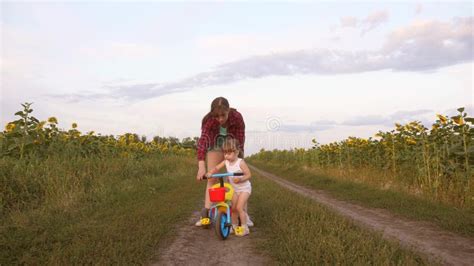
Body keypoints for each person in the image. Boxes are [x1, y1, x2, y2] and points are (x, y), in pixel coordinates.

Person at [195, 97, 253, 227]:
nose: (220, 119)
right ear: (212, 115)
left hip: (232, 147)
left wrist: (239, 161)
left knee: (235, 180)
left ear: (228, 110)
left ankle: (243, 215)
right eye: (217, 116)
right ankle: (207, 214)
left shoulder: (237, 118)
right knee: (211, 179)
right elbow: (203, 142)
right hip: (215, 145)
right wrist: (201, 166)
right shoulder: (208, 121)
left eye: (223, 115)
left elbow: (240, 140)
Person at [206, 138, 251, 236]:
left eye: (229, 153)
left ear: (236, 152)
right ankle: (233, 226)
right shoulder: (226, 161)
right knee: (233, 208)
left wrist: (240, 179)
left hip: (244, 189)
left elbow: (248, 175)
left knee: (239, 207)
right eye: (225, 153)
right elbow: (217, 168)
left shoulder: (240, 162)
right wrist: (210, 173)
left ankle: (245, 227)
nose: (226, 156)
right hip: (234, 189)